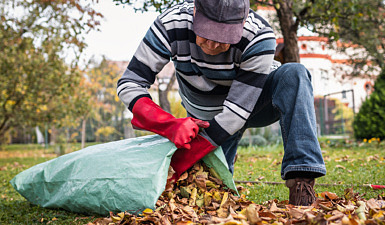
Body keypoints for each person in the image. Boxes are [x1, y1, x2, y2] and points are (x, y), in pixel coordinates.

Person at [117, 0, 326, 206]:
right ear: (195, 11)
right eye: (207, 33)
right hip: (206, 116)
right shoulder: (171, 23)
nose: (214, 44)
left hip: (254, 102)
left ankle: (302, 179)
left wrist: (198, 148)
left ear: (243, 21)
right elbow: (130, 83)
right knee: (210, 190)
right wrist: (167, 124)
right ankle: (224, 162)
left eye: (225, 36)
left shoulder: (259, 35)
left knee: (295, 74)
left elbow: (236, 112)